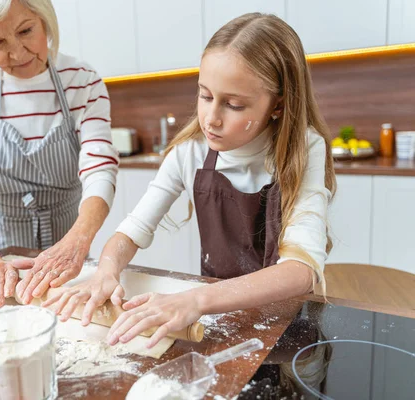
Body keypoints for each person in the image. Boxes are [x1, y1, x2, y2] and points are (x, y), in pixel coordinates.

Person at [44, 13, 336, 348]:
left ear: (278, 106)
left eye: (234, 104)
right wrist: (107, 270)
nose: (212, 119)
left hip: (288, 321)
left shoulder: (304, 149)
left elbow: (301, 270)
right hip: (218, 319)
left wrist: (194, 300)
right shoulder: (189, 153)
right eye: (205, 95)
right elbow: (132, 229)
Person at [0, 0, 118, 309]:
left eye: (26, 31)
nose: (18, 53)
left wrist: (78, 241)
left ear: (45, 20)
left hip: (69, 253)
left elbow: (100, 169)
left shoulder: (82, 79)